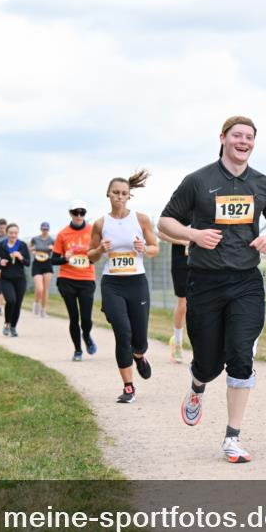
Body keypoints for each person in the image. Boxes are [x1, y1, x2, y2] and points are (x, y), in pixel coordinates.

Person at [159, 116, 266, 463]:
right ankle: (198, 385)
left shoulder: (262, 184)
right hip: (205, 281)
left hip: (246, 282)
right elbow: (165, 220)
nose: (243, 142)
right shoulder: (199, 181)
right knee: (208, 363)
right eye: (237, 136)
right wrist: (193, 235)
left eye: (249, 137)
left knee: (240, 354)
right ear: (223, 138)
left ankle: (232, 438)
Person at [88, 170, 159, 403]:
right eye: (116, 193)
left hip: (136, 282)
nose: (120, 197)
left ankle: (139, 355)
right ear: (108, 194)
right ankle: (129, 387)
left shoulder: (141, 219)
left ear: (129, 196)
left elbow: (154, 248)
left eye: (124, 193)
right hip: (113, 283)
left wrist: (144, 249)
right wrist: (100, 250)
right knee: (122, 332)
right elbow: (90, 256)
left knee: (139, 339)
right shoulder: (100, 223)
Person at [53, 200, 98, 361]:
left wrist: (89, 257)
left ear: (85, 213)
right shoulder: (63, 234)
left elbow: (96, 257)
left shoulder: (92, 231)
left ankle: (86, 335)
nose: (79, 216)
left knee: (86, 318)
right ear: (70, 213)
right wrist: (65, 258)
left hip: (86, 279)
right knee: (74, 317)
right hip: (67, 279)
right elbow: (53, 260)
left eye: (82, 212)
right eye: (75, 212)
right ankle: (78, 350)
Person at [0, 223, 31, 337]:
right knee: (11, 301)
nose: (13, 235)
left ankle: (13, 327)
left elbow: (28, 263)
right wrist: (0, 262)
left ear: (18, 233)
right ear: (7, 233)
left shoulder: (23, 245)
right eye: (11, 233)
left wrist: (20, 257)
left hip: (20, 279)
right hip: (6, 278)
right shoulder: (1, 245)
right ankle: (7, 323)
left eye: (15, 233)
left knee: (18, 304)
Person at [157, 231, 190, 364]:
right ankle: (177, 343)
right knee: (183, 302)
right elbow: (161, 233)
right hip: (181, 262)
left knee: (203, 304)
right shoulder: (179, 211)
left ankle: (203, 347)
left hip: (204, 260)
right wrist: (185, 241)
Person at [30, 222, 55, 317]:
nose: (45, 231)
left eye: (46, 229)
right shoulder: (35, 239)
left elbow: (56, 251)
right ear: (40, 229)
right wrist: (33, 251)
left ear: (49, 230)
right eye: (43, 229)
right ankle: (36, 303)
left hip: (47, 263)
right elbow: (31, 248)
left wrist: (53, 248)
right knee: (39, 288)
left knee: (45, 289)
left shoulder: (52, 240)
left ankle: (43, 311)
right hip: (37, 263)